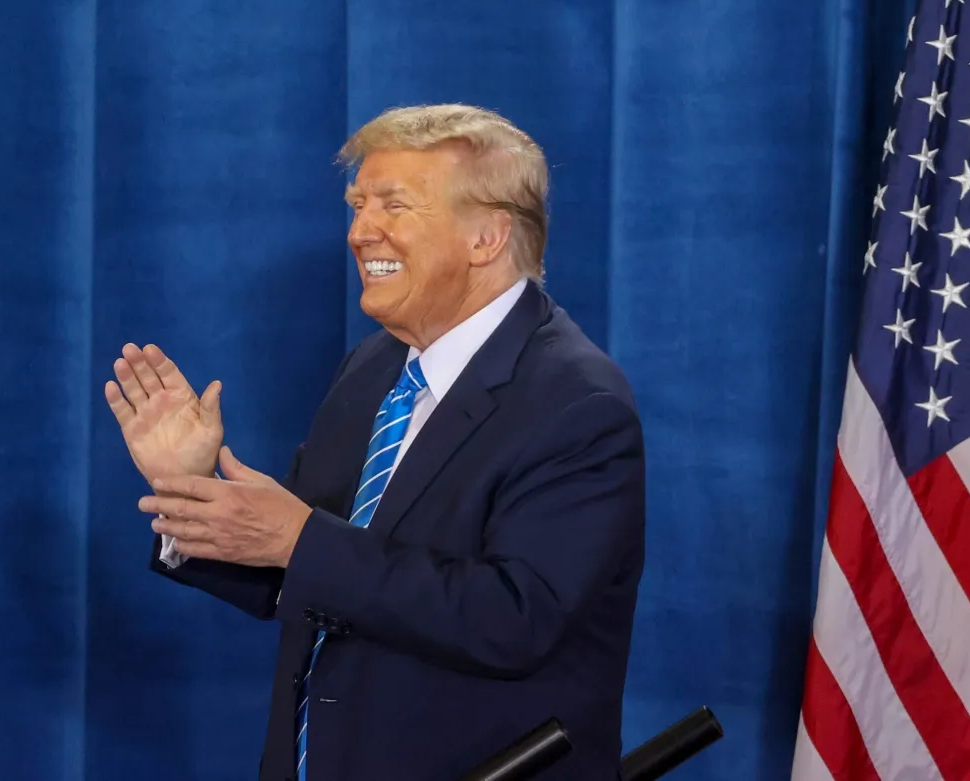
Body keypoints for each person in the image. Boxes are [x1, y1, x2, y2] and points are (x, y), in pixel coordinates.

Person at [103, 103, 645, 780]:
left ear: (487, 236)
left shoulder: (577, 402)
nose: (361, 231)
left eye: (394, 205)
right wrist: (193, 492)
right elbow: (301, 573)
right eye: (358, 205)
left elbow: (515, 619)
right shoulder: (371, 369)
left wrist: (298, 538)